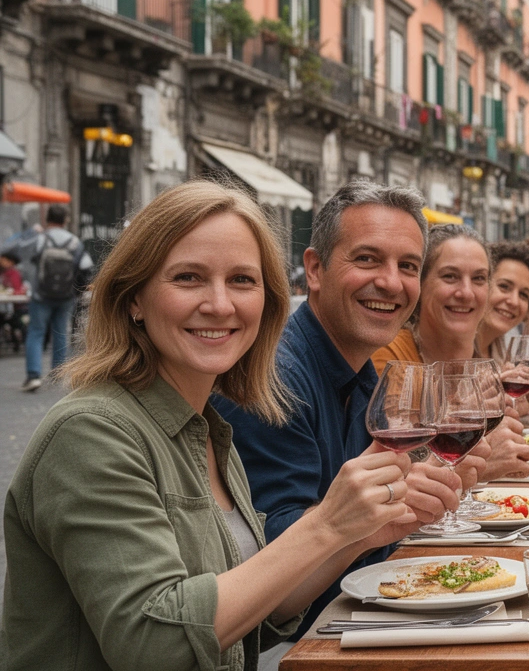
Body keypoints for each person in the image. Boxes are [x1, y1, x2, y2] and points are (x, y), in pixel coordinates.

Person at [1, 181, 457, 670]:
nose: (220, 304)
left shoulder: (208, 430)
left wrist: (365, 530)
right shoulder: (90, 432)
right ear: (134, 298)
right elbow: (156, 645)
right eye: (188, 278)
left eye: (242, 280)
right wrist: (327, 525)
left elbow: (262, 612)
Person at [216, 179, 465, 644]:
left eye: (408, 265)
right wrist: (376, 515)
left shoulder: (362, 374)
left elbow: (366, 527)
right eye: (367, 259)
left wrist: (397, 508)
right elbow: (274, 556)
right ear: (314, 269)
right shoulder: (275, 380)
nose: (391, 282)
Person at [371, 225, 529, 482]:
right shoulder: (392, 358)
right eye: (450, 276)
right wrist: (479, 462)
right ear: (421, 284)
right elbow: (395, 462)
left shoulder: (480, 364)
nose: (466, 292)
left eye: (479, 279)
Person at [22, 203, 94, 392]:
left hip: (40, 294)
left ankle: (33, 375)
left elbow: (29, 264)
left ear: (47, 219)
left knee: (36, 332)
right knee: (61, 332)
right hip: (66, 295)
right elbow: (86, 266)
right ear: (65, 220)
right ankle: (58, 373)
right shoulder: (74, 242)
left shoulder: (40, 239)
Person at [475, 242, 529, 361]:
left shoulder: (503, 350)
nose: (514, 302)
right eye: (504, 286)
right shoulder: (451, 347)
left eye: (523, 295)